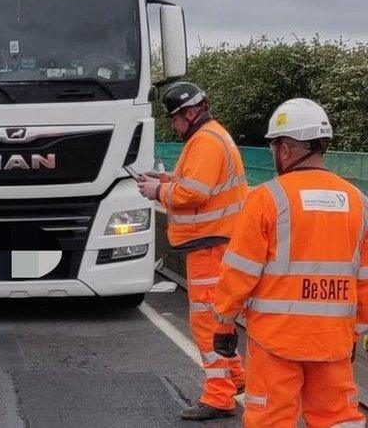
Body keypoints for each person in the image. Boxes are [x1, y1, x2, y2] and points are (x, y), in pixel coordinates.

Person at [212, 99, 366, 427]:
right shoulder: (359, 202)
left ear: (285, 149)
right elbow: (364, 280)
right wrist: (355, 334)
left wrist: (223, 323)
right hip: (333, 342)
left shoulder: (267, 199)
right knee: (338, 418)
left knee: (271, 419)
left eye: (274, 147)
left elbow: (239, 272)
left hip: (276, 342)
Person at [136, 82, 247, 421]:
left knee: (208, 323)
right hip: (216, 243)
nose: (174, 126)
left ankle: (219, 396)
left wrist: (159, 191)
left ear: (189, 112)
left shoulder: (206, 141)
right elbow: (198, 185)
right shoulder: (210, 138)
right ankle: (237, 378)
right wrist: (168, 181)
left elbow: (194, 194)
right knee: (219, 318)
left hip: (211, 246)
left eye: (175, 119)